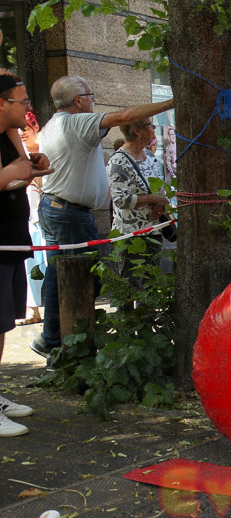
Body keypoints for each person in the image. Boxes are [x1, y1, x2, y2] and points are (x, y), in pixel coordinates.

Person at [32, 75, 174, 357]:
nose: (94, 101)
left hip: (60, 209)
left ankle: (52, 341)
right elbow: (124, 116)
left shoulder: (55, 124)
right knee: (84, 278)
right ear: (78, 101)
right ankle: (67, 345)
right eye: (91, 95)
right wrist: (172, 102)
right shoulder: (76, 121)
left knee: (60, 276)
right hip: (70, 213)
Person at [0, 69, 55, 436]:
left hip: (12, 240)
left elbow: (16, 177)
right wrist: (10, 173)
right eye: (21, 102)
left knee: (4, 324)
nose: (28, 108)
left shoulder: (10, 136)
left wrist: (31, 169)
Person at [107, 118, 171, 282]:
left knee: (149, 285)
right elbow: (120, 199)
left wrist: (161, 203)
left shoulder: (149, 155)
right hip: (130, 234)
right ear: (138, 131)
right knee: (129, 285)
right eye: (150, 125)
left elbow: (159, 187)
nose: (154, 128)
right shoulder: (118, 160)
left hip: (153, 231)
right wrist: (153, 198)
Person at [15, 110, 44, 326]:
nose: (22, 134)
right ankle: (32, 308)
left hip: (45, 214)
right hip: (29, 216)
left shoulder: (45, 149)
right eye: (19, 130)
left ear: (35, 127)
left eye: (25, 129)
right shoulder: (20, 153)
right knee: (29, 263)